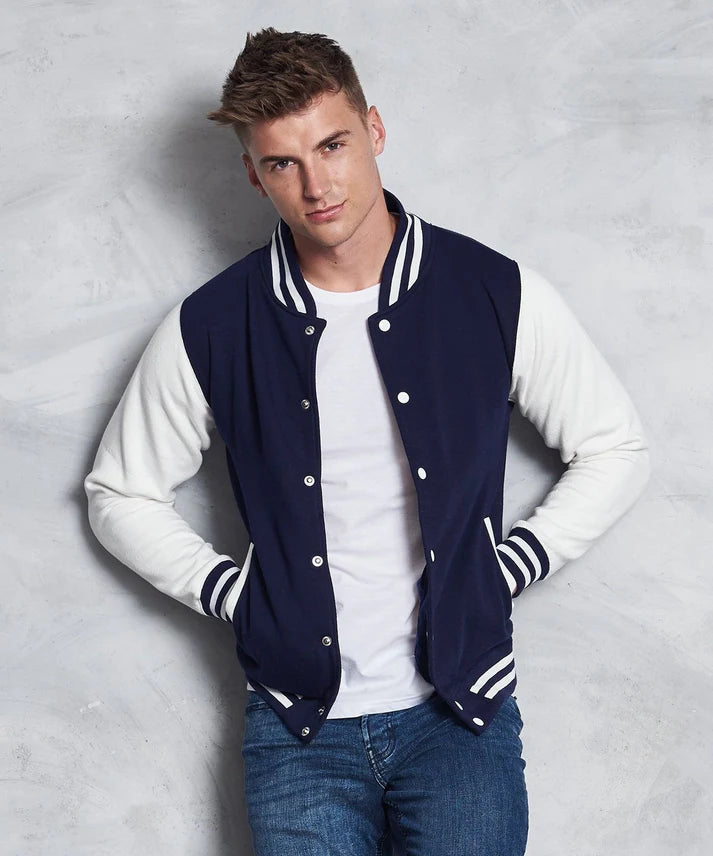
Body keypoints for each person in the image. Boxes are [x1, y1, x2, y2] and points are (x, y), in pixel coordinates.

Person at [84, 27, 650, 856]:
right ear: (253, 174)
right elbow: (118, 493)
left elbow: (614, 447)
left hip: (459, 714)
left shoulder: (490, 291)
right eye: (283, 163)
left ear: (373, 130)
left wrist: (506, 565)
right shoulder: (213, 324)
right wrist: (235, 595)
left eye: (333, 145)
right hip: (298, 729)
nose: (317, 185)